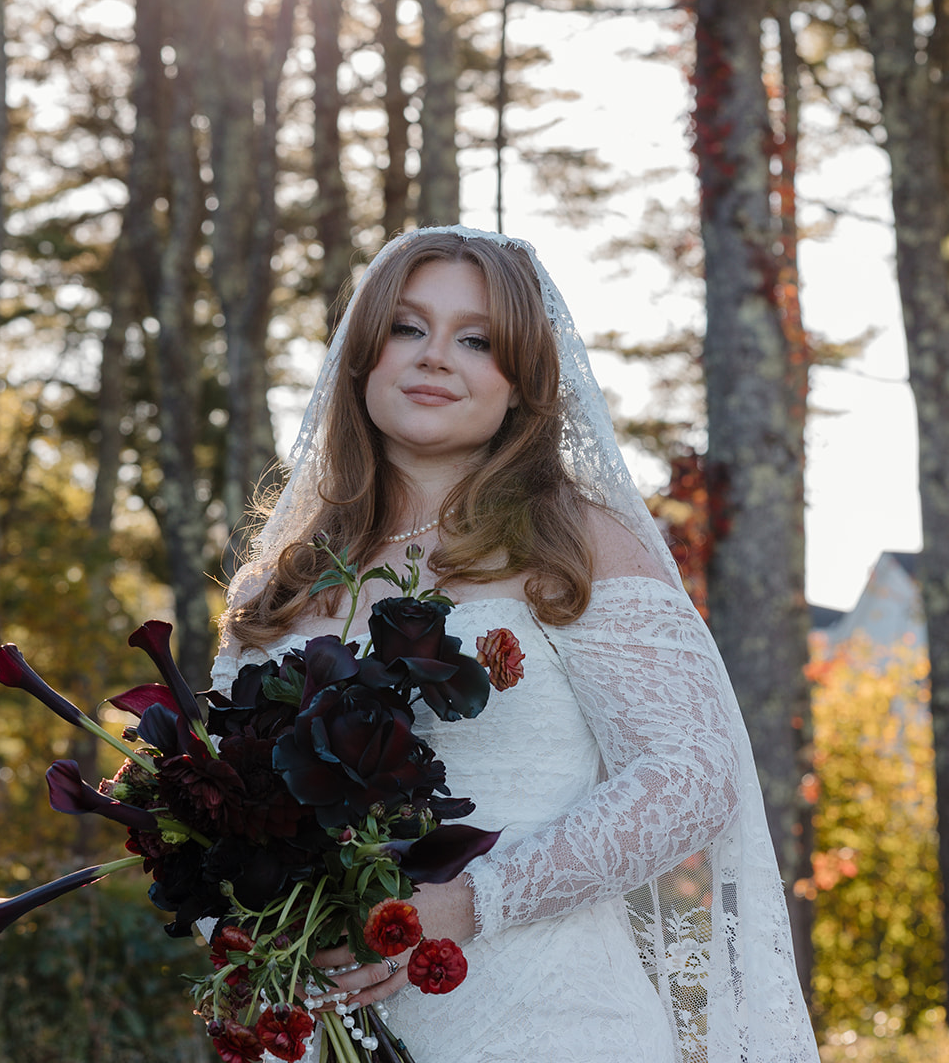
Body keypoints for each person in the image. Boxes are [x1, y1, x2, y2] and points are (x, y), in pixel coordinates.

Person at [212, 226, 820, 1063]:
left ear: (520, 383)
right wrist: (267, 924)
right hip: (323, 1027)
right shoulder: (279, 585)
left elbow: (691, 775)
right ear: (361, 357)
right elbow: (217, 807)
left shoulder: (581, 548)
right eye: (407, 327)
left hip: (548, 1022)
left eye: (476, 340)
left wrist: (462, 905)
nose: (434, 357)